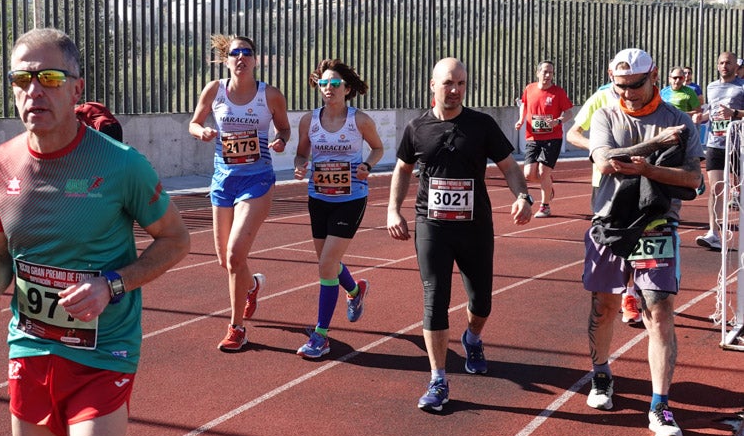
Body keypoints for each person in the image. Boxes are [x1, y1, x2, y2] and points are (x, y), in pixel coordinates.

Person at [0, 28, 190, 436]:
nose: (33, 91)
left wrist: (112, 285)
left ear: (76, 88)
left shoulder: (120, 165)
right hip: (31, 346)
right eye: (22, 78)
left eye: (48, 77)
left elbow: (176, 239)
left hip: (102, 352)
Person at [387, 57, 533, 412]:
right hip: (431, 224)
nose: (454, 91)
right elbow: (402, 170)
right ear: (432, 86)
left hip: (475, 226)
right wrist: (393, 209)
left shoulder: (481, 125)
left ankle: (473, 337)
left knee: (481, 300)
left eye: (461, 84)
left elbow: (510, 167)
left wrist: (524, 196)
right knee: (435, 297)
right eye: (448, 83)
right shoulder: (416, 128)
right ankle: (438, 378)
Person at [580, 48, 701, 436]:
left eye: (636, 85)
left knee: (659, 313)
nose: (628, 93)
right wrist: (655, 146)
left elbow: (693, 180)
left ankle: (660, 405)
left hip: (656, 226)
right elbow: (605, 161)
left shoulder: (679, 121)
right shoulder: (605, 115)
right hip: (610, 223)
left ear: (654, 77)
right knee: (605, 306)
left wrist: (648, 170)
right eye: (620, 86)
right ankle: (601, 376)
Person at [189, 34, 290, 352]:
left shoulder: (269, 95)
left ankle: (236, 328)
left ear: (255, 60)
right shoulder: (214, 90)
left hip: (257, 180)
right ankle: (252, 285)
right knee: (225, 260)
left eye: (247, 52)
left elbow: (284, 127)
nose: (241, 58)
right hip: (223, 180)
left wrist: (280, 140)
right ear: (227, 60)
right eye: (235, 53)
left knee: (235, 255)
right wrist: (202, 131)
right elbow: (193, 122)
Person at [292, 59, 385, 359]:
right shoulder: (309, 120)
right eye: (324, 84)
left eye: (334, 84)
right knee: (327, 263)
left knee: (325, 266)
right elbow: (300, 153)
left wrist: (367, 166)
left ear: (346, 88)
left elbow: (379, 148)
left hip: (350, 199)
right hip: (318, 198)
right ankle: (355, 292)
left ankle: (321, 335)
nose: (328, 89)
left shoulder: (360, 120)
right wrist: (299, 166)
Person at [566, 76, 645, 326]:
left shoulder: (648, 98)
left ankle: (630, 295)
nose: (627, 87)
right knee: (607, 240)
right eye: (621, 80)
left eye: (633, 80)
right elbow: (573, 134)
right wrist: (599, 147)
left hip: (640, 180)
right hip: (605, 183)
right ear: (612, 76)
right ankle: (609, 292)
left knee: (636, 237)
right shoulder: (600, 98)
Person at [696, 51, 744, 251]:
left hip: (738, 144)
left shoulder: (741, 87)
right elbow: (712, 111)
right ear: (717, 66)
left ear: (736, 67)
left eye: (729, 63)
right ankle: (713, 233)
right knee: (716, 189)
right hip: (715, 143)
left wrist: (733, 113)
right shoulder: (711, 87)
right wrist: (702, 117)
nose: (725, 66)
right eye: (722, 63)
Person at [514, 60, 573, 218]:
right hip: (532, 137)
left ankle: (545, 206)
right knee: (529, 174)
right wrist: (521, 119)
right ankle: (548, 184)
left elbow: (569, 113)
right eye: (545, 72)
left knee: (542, 171)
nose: (548, 75)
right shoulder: (529, 88)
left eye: (551, 72)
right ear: (538, 73)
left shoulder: (558, 92)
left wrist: (558, 121)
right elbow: (524, 105)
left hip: (552, 137)